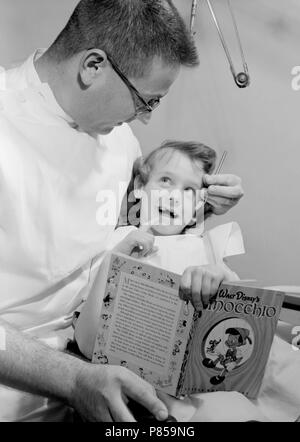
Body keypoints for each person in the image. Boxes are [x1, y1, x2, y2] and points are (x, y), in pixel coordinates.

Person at [0, 0, 243, 422]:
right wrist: (73, 379)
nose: (144, 120)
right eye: (144, 100)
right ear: (93, 66)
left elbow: (131, 239)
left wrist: (203, 211)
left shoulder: (120, 142)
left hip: (100, 371)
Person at [75, 141, 245, 363]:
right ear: (139, 185)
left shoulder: (205, 247)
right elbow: (87, 342)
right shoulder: (119, 240)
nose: (174, 197)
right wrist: (114, 263)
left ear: (197, 207)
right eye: (166, 180)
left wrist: (223, 277)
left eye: (188, 190)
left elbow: (243, 313)